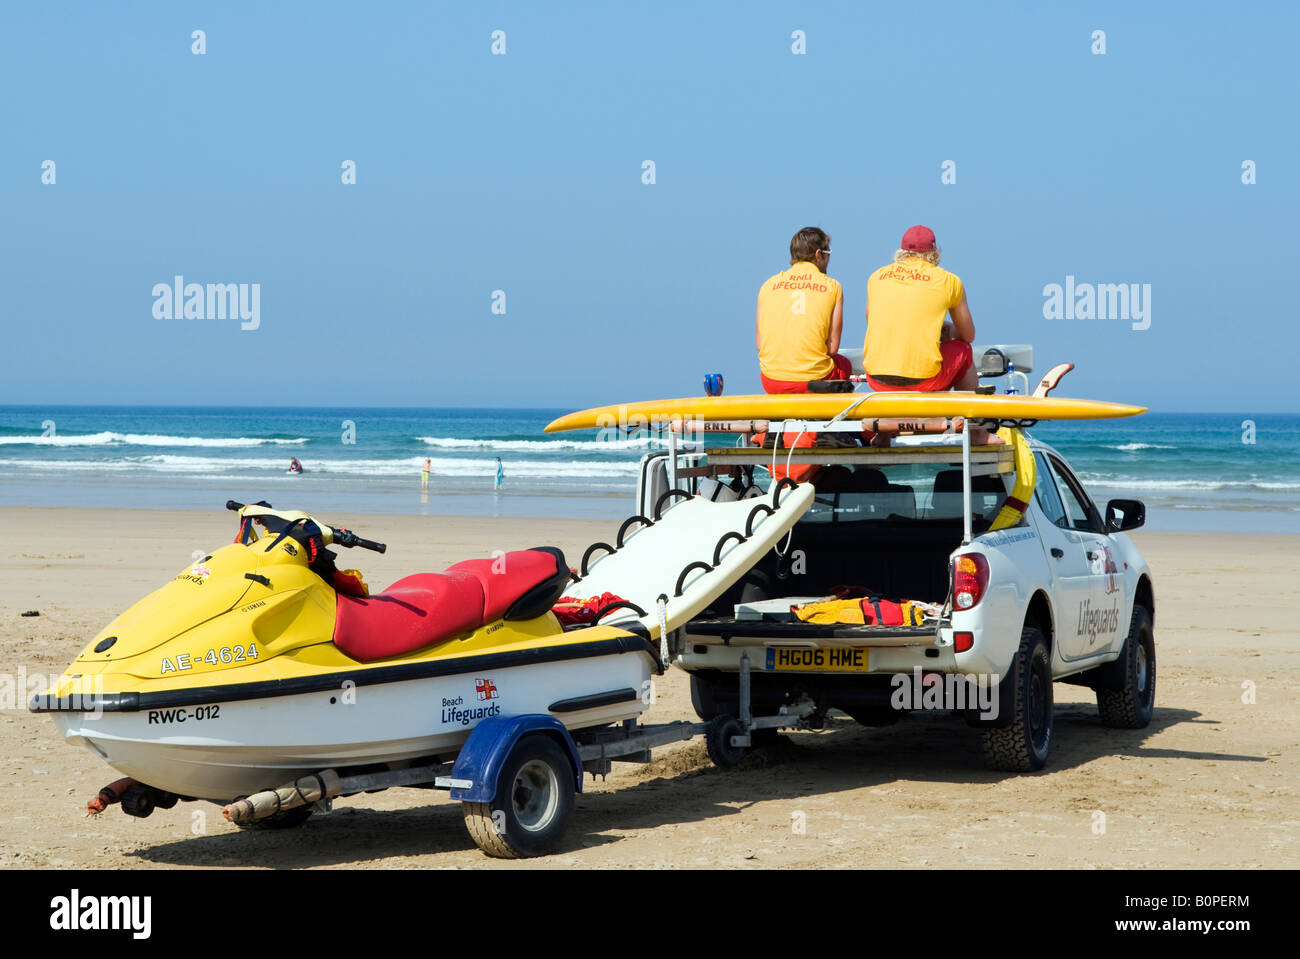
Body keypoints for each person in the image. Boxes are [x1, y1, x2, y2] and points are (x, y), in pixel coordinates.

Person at [862, 225, 995, 444]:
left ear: (901, 251)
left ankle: (884, 432)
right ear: (934, 252)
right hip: (923, 381)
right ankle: (977, 434)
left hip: (877, 380)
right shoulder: (948, 280)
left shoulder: (876, 277)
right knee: (963, 350)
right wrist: (948, 330)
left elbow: (872, 320)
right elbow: (968, 334)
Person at [755, 227, 851, 393]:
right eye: (828, 253)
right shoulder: (832, 286)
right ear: (818, 254)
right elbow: (833, 348)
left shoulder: (768, 286)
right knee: (844, 365)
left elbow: (760, 344)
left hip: (772, 381)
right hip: (813, 382)